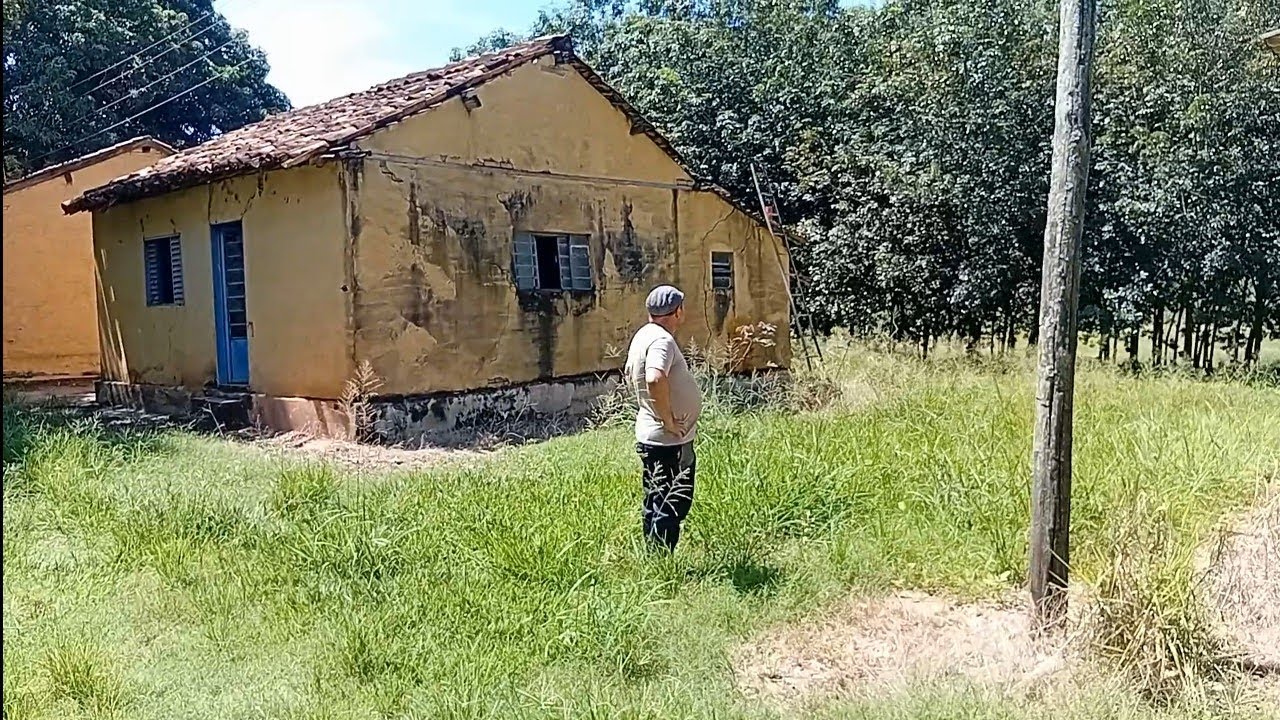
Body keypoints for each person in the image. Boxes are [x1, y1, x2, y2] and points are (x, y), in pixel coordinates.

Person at [624, 285, 702, 551]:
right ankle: (661, 561)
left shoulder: (643, 335)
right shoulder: (662, 340)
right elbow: (654, 378)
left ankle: (654, 555)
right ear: (678, 311)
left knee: (657, 498)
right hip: (668, 440)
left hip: (653, 434)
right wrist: (668, 420)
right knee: (671, 501)